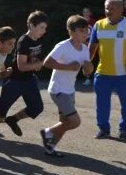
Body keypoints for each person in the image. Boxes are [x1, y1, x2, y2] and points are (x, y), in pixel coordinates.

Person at [0, 11, 48, 140]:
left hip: (29, 79)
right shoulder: (23, 41)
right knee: (0, 113)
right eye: (41, 27)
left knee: (36, 107)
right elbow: (21, 66)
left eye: (45, 28)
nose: (44, 31)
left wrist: (36, 63)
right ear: (31, 26)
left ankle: (13, 120)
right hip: (15, 81)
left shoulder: (39, 40)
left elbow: (33, 60)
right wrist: (40, 64)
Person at [89, 0, 126, 139]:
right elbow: (92, 46)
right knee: (102, 105)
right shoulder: (98, 25)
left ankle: (124, 130)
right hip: (102, 73)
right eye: (106, 8)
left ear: (121, 9)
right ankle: (103, 129)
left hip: (125, 74)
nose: (108, 11)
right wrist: (87, 63)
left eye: (112, 8)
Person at [40, 15, 93, 157]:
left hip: (70, 90)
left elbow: (87, 72)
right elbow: (47, 62)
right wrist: (68, 67)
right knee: (74, 122)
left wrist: (88, 67)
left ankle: (49, 148)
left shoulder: (84, 49)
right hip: (58, 89)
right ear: (72, 31)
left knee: (64, 122)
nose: (86, 33)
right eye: (82, 30)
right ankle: (48, 133)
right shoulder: (63, 46)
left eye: (87, 30)